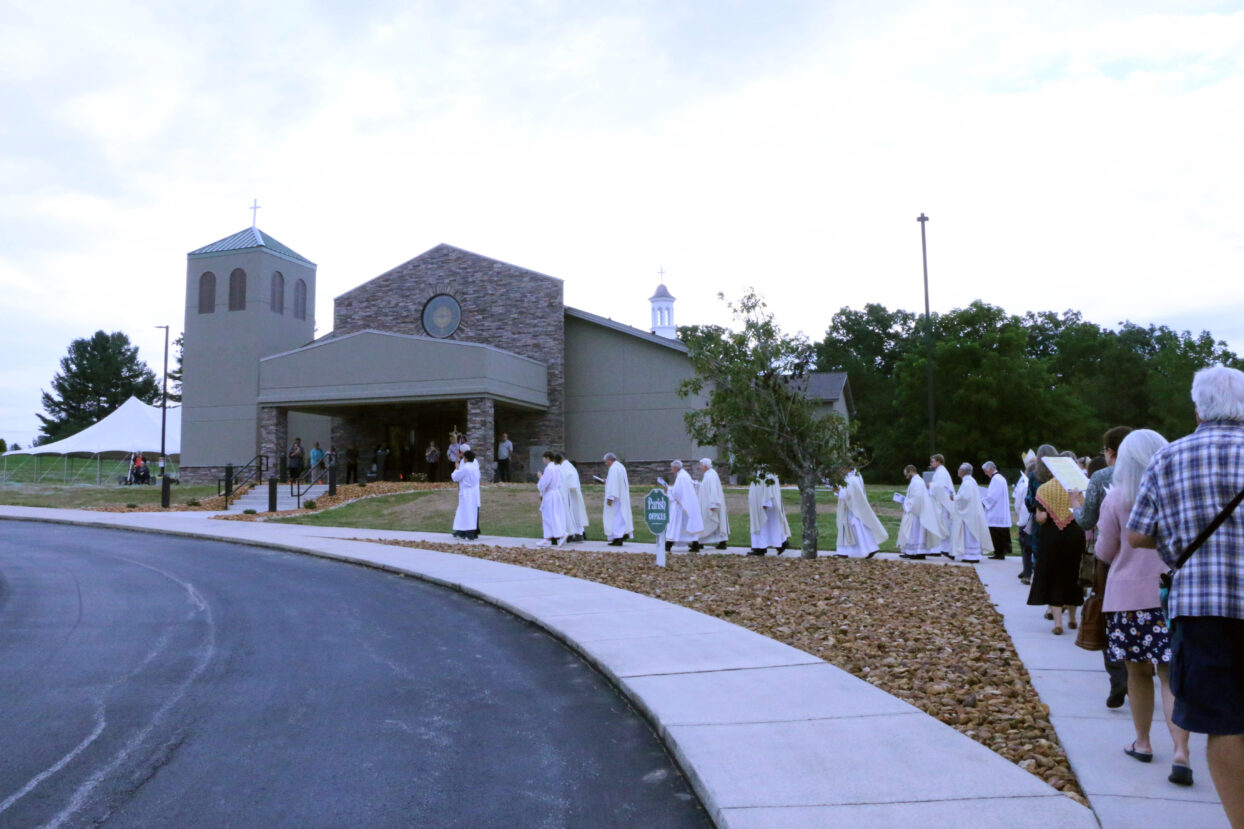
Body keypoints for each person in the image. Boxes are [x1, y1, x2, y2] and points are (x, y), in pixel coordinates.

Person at [1128, 366, 1244, 824]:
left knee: (1224, 722)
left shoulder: (1169, 457)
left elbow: (1137, 535)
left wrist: (1180, 537)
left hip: (1201, 605)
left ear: (1197, 407)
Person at [1095, 429, 1193, 786]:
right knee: (1170, 676)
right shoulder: (1179, 496)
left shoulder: (1117, 498)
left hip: (1127, 600)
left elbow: (1105, 552)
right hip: (1170, 596)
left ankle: (1143, 742)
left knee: (1137, 674)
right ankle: (1181, 752)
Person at [1068, 426, 1134, 709]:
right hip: (1147, 556)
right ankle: (1143, 669)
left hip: (1108, 556)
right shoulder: (1152, 473)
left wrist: (1074, 505)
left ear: (1110, 452)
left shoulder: (1101, 477)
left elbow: (1086, 520)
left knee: (1109, 613)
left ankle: (1118, 676)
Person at [1026, 445, 1085, 635]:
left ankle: (1058, 622)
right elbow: (1085, 515)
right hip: (1074, 534)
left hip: (1051, 537)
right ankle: (1074, 618)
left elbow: (1041, 518)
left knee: (1054, 576)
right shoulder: (1081, 489)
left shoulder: (1045, 489)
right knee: (1073, 575)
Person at [835, 468, 888, 558]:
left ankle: (866, 549)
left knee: (857, 530)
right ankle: (868, 548)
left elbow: (847, 494)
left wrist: (837, 490)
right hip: (855, 507)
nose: (841, 471)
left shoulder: (850, 480)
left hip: (852, 509)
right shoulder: (856, 476)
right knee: (860, 529)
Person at [897, 464, 944, 559]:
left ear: (910, 471)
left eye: (906, 474)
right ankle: (910, 551)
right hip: (915, 511)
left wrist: (905, 502)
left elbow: (917, 498)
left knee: (917, 533)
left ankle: (919, 552)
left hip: (917, 512)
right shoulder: (916, 481)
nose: (906, 477)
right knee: (912, 533)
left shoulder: (917, 482)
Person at [951, 463, 994, 563]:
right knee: (970, 535)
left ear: (962, 471)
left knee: (970, 535)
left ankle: (971, 556)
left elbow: (965, 498)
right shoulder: (969, 481)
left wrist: (954, 497)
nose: (958, 471)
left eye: (959, 469)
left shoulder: (968, 483)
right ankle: (969, 555)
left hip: (969, 515)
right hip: (970, 513)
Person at [747, 470, 790, 556]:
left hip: (765, 506)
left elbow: (769, 487)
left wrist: (766, 502)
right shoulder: (761, 470)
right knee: (767, 526)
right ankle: (762, 547)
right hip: (760, 504)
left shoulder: (767, 471)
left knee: (767, 525)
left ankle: (763, 547)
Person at [666, 460, 705, 552]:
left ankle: (668, 545)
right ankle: (695, 544)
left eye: (672, 468)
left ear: (676, 468)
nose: (671, 470)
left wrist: (669, 490)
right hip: (686, 504)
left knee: (675, 525)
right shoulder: (684, 475)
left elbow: (677, 492)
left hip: (681, 506)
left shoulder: (681, 477)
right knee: (686, 526)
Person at [696, 458, 730, 550]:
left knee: (709, 520)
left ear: (705, 466)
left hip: (710, 504)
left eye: (701, 465)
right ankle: (702, 541)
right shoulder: (709, 474)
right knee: (707, 521)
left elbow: (714, 490)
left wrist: (714, 504)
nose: (700, 467)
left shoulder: (710, 475)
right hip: (707, 502)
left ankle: (720, 542)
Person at [981, 461, 1012, 560]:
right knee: (998, 533)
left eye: (986, 471)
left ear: (991, 469)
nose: (985, 473)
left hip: (996, 511)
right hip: (999, 510)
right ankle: (999, 552)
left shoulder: (996, 479)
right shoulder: (999, 478)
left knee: (996, 534)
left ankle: (999, 553)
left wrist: (982, 499)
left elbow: (992, 497)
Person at [602, 452, 633, 546]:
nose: (605, 464)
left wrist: (610, 497)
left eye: (606, 462)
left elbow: (613, 484)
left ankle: (618, 536)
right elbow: (616, 481)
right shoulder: (620, 466)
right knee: (621, 516)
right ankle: (620, 535)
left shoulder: (614, 468)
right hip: (621, 496)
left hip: (616, 498)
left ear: (610, 460)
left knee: (615, 517)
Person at [451, 444, 481, 540]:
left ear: (466, 458)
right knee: (471, 513)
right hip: (473, 491)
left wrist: (456, 468)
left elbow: (455, 477)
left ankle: (465, 533)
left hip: (466, 492)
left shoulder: (466, 467)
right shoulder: (475, 468)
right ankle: (466, 532)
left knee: (465, 512)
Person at [537, 450, 567, 546]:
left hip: (550, 494)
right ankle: (548, 538)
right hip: (556, 493)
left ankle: (561, 535)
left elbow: (544, 483)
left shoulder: (549, 469)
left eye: (544, 458)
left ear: (547, 458)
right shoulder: (557, 468)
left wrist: (540, 477)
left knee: (550, 516)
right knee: (553, 515)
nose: (543, 460)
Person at [558, 453, 590, 542]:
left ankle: (576, 534)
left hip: (571, 495)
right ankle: (575, 534)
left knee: (573, 515)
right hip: (570, 494)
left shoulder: (566, 467)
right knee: (574, 515)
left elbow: (571, 482)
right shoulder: (568, 466)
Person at [928, 454, 955, 557]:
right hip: (940, 503)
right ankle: (938, 549)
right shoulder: (939, 471)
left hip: (943, 504)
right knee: (940, 525)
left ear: (938, 462)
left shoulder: (942, 472)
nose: (931, 463)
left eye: (932, 461)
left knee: (944, 526)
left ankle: (946, 549)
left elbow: (940, 488)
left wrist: (929, 485)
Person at [1013, 457, 1033, 583]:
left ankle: (1027, 573)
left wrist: (1020, 513)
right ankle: (1027, 569)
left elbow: (1018, 504)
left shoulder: (1024, 485)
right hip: (1032, 518)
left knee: (1025, 548)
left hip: (1025, 518)